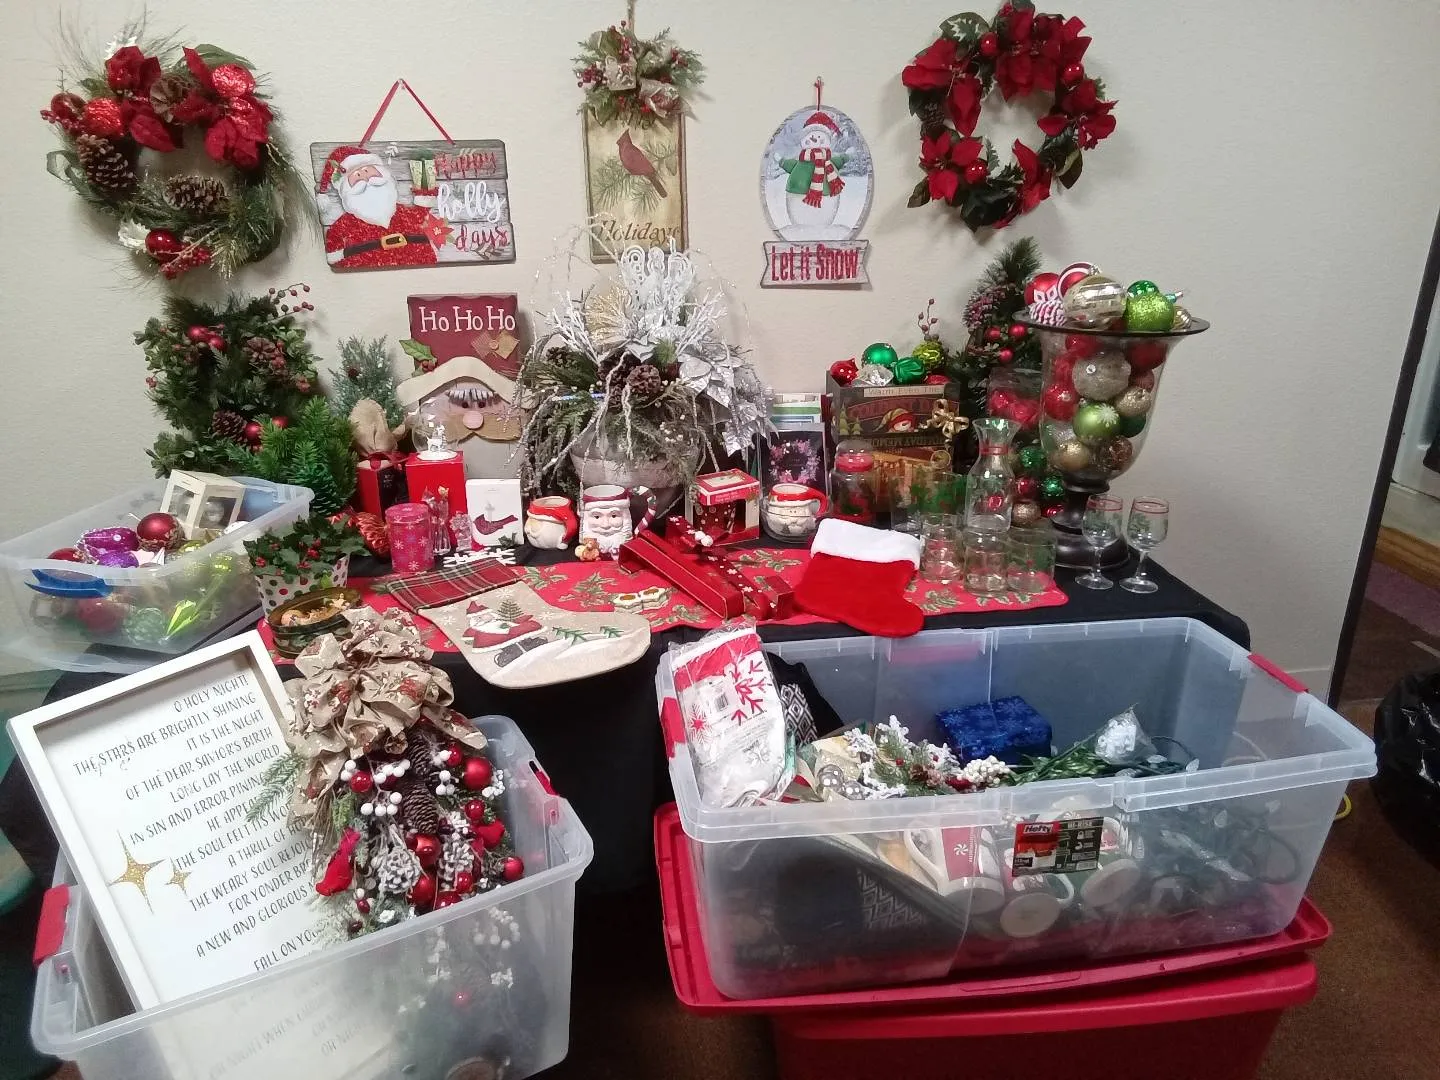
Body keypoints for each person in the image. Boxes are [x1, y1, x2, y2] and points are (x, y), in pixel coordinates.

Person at [315, 145, 443, 270]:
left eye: (367, 170)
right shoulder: (345, 225)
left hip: (422, 272)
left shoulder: (405, 214)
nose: (366, 178)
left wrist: (424, 190)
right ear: (346, 191)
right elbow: (333, 252)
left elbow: (422, 214)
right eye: (357, 176)